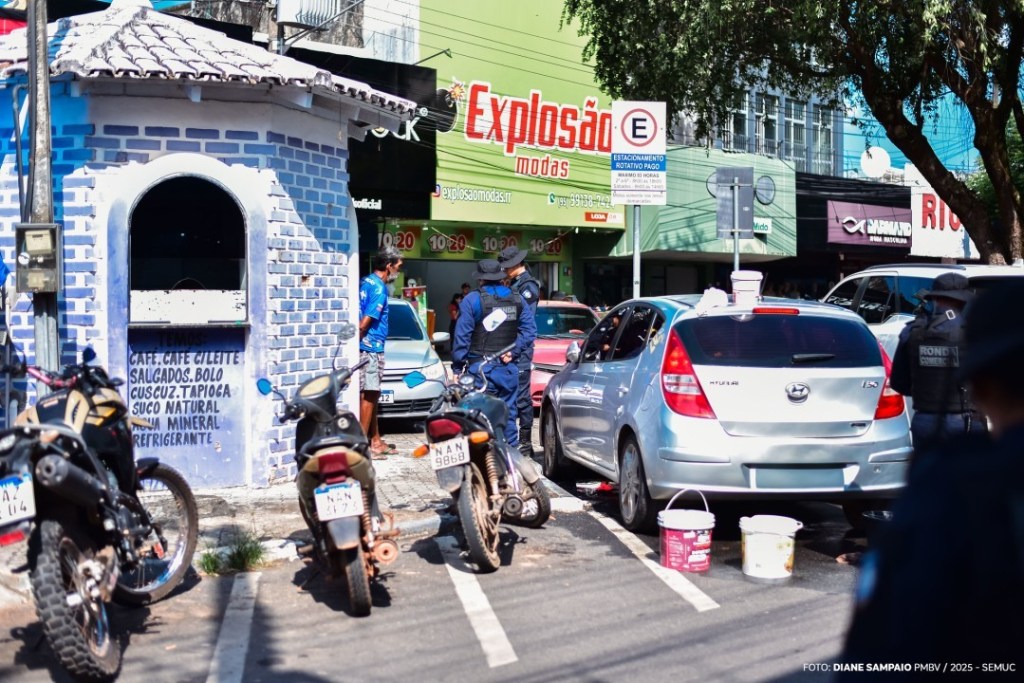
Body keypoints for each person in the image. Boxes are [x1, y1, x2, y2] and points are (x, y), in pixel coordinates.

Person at [839, 280, 1024, 672]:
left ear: (982, 383)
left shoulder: (952, 488)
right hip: (966, 422)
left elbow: (879, 653)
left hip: (928, 421)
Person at [890, 272, 985, 459]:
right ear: (963, 300)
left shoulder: (913, 331)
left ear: (934, 298)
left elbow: (898, 383)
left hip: (925, 420)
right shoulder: (975, 332)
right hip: (965, 420)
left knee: (931, 482)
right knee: (969, 483)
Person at [451, 258, 536, 448]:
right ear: (499, 276)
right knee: (509, 416)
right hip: (507, 369)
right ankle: (511, 463)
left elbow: (462, 337)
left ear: (480, 279)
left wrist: (457, 367)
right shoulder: (517, 298)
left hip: (480, 370)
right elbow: (530, 331)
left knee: (480, 419)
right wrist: (514, 351)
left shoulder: (472, 300)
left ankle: (485, 466)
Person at [358, 247, 403, 459]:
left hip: (367, 347)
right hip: (371, 348)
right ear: (389, 266)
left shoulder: (366, 281)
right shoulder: (379, 289)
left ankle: (375, 440)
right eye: (398, 267)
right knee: (369, 395)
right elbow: (365, 322)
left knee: (372, 395)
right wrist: (357, 343)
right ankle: (361, 447)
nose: (398, 271)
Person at [498, 246, 541, 456]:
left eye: (507, 266)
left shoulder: (528, 287)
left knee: (522, 398)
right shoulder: (514, 284)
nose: (504, 270)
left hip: (520, 349)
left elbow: (525, 323)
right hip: (509, 348)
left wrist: (514, 349)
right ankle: (512, 439)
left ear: (517, 264)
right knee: (510, 395)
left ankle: (525, 444)